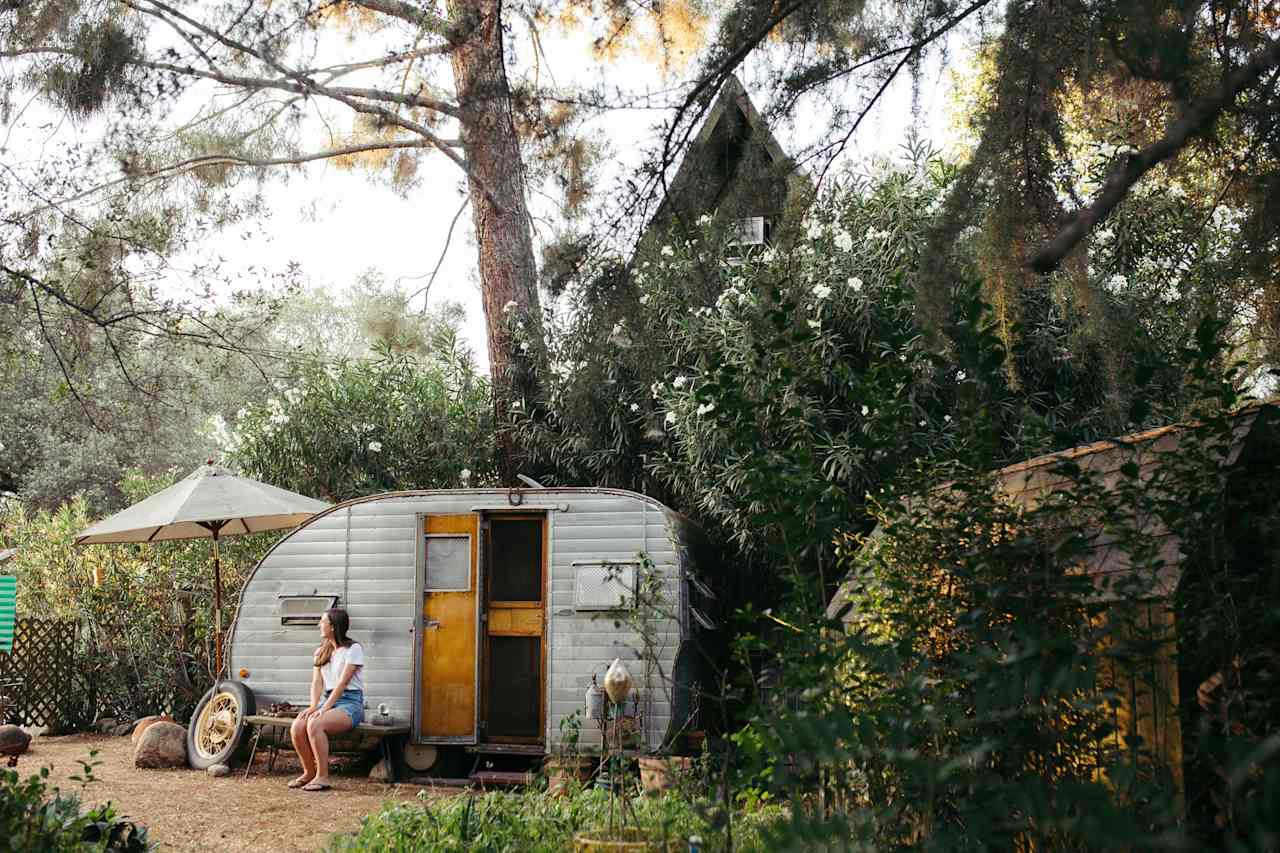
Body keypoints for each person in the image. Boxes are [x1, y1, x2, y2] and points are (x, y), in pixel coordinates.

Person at [288, 607, 365, 791]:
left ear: (333, 626)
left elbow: (342, 684)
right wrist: (314, 706)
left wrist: (324, 710)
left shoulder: (353, 649)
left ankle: (322, 776)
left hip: (350, 703)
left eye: (322, 622)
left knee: (315, 724)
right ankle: (308, 772)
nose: (319, 625)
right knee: (297, 726)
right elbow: (316, 683)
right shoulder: (321, 652)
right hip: (327, 700)